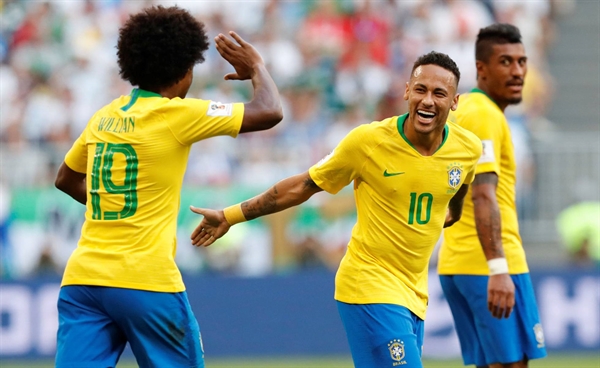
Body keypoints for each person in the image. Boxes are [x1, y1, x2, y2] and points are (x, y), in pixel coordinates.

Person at [190, 51, 482, 368]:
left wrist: (449, 214)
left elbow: (457, 193)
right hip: (369, 286)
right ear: (406, 91)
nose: (427, 100)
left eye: (439, 93)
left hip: (414, 293)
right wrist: (231, 215)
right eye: (421, 89)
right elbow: (303, 185)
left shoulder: (467, 149)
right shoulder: (367, 142)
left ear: (454, 101)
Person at [54, 5, 283, 368]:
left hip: (83, 281)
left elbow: (65, 179)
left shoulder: (105, 116)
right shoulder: (177, 114)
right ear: (183, 71)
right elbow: (270, 111)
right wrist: (256, 65)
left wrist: (116, 203)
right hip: (145, 281)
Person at [438, 24, 548, 368]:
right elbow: (483, 194)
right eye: (505, 62)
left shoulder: (467, 109)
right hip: (488, 264)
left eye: (521, 61)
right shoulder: (484, 115)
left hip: (459, 261)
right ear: (481, 68)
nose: (517, 72)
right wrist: (498, 269)